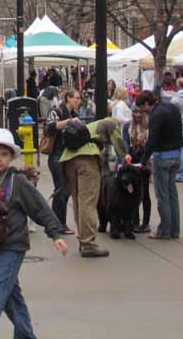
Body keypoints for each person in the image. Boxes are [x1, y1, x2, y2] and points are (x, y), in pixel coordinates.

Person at [0, 128, 68, 338]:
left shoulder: (18, 182)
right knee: (11, 297)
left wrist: (55, 234)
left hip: (12, 246)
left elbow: (39, 208)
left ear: (11, 156)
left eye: (3, 154)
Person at [58, 110, 112, 258]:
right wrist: (126, 156)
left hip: (68, 159)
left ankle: (84, 240)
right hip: (87, 160)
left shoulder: (92, 125)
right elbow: (119, 143)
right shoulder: (112, 124)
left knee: (78, 201)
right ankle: (88, 244)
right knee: (88, 202)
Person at [134, 90, 183, 240]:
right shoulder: (173, 107)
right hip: (176, 154)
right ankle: (175, 230)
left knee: (162, 195)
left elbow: (152, 141)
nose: (143, 112)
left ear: (147, 104)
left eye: (143, 108)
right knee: (172, 194)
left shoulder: (156, 115)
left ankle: (164, 230)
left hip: (162, 157)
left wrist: (142, 161)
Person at [43, 89, 81, 234]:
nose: (78, 101)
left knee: (65, 190)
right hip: (57, 155)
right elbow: (49, 127)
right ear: (68, 98)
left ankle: (56, 222)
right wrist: (69, 122)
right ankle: (58, 224)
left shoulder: (75, 114)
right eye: (76, 98)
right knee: (60, 189)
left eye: (79, 98)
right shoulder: (57, 111)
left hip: (68, 155)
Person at [122, 107, 152, 233]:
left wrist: (144, 141)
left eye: (140, 112)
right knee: (131, 193)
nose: (138, 115)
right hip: (132, 162)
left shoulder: (149, 126)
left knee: (144, 194)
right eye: (135, 112)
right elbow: (124, 144)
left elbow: (152, 145)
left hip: (144, 162)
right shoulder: (128, 126)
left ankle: (145, 223)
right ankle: (134, 221)